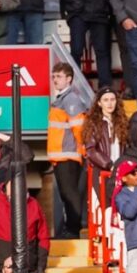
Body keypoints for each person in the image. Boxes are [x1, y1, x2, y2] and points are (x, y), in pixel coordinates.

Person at [0, 179, 51, 273]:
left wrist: (40, 268)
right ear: (6, 186)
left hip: (29, 270)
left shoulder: (34, 205)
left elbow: (43, 238)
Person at [48, 62, 89, 239]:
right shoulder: (62, 99)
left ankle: (72, 229)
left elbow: (79, 128)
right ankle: (70, 227)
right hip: (62, 155)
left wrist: (82, 150)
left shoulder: (70, 100)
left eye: (59, 76)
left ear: (69, 79)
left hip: (69, 155)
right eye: (54, 76)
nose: (55, 80)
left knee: (70, 194)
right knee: (66, 194)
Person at [82, 87, 130, 196]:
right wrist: (109, 164)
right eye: (105, 100)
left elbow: (127, 147)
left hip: (120, 171)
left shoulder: (122, 122)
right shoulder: (93, 123)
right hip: (101, 171)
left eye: (112, 99)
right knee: (106, 208)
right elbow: (91, 150)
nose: (110, 103)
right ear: (99, 103)